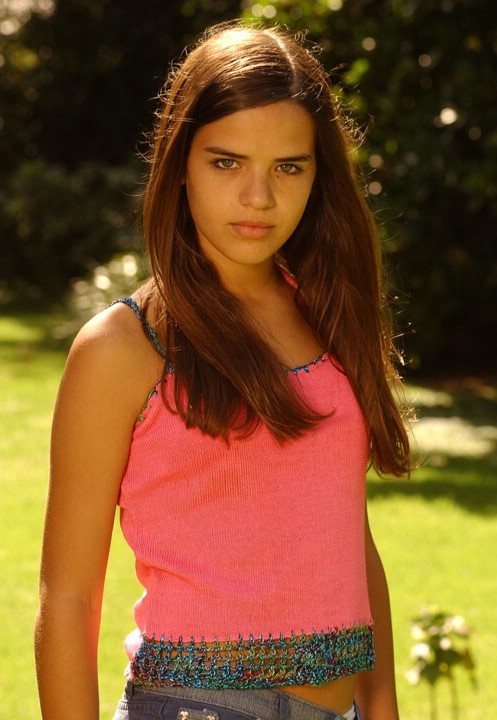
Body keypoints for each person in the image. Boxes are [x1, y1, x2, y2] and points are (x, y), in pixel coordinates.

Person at [34, 20, 412, 720]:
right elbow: (68, 597)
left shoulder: (328, 315)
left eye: (289, 167)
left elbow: (348, 538)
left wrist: (382, 707)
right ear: (180, 163)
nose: (258, 197)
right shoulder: (123, 348)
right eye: (227, 162)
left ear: (319, 174)